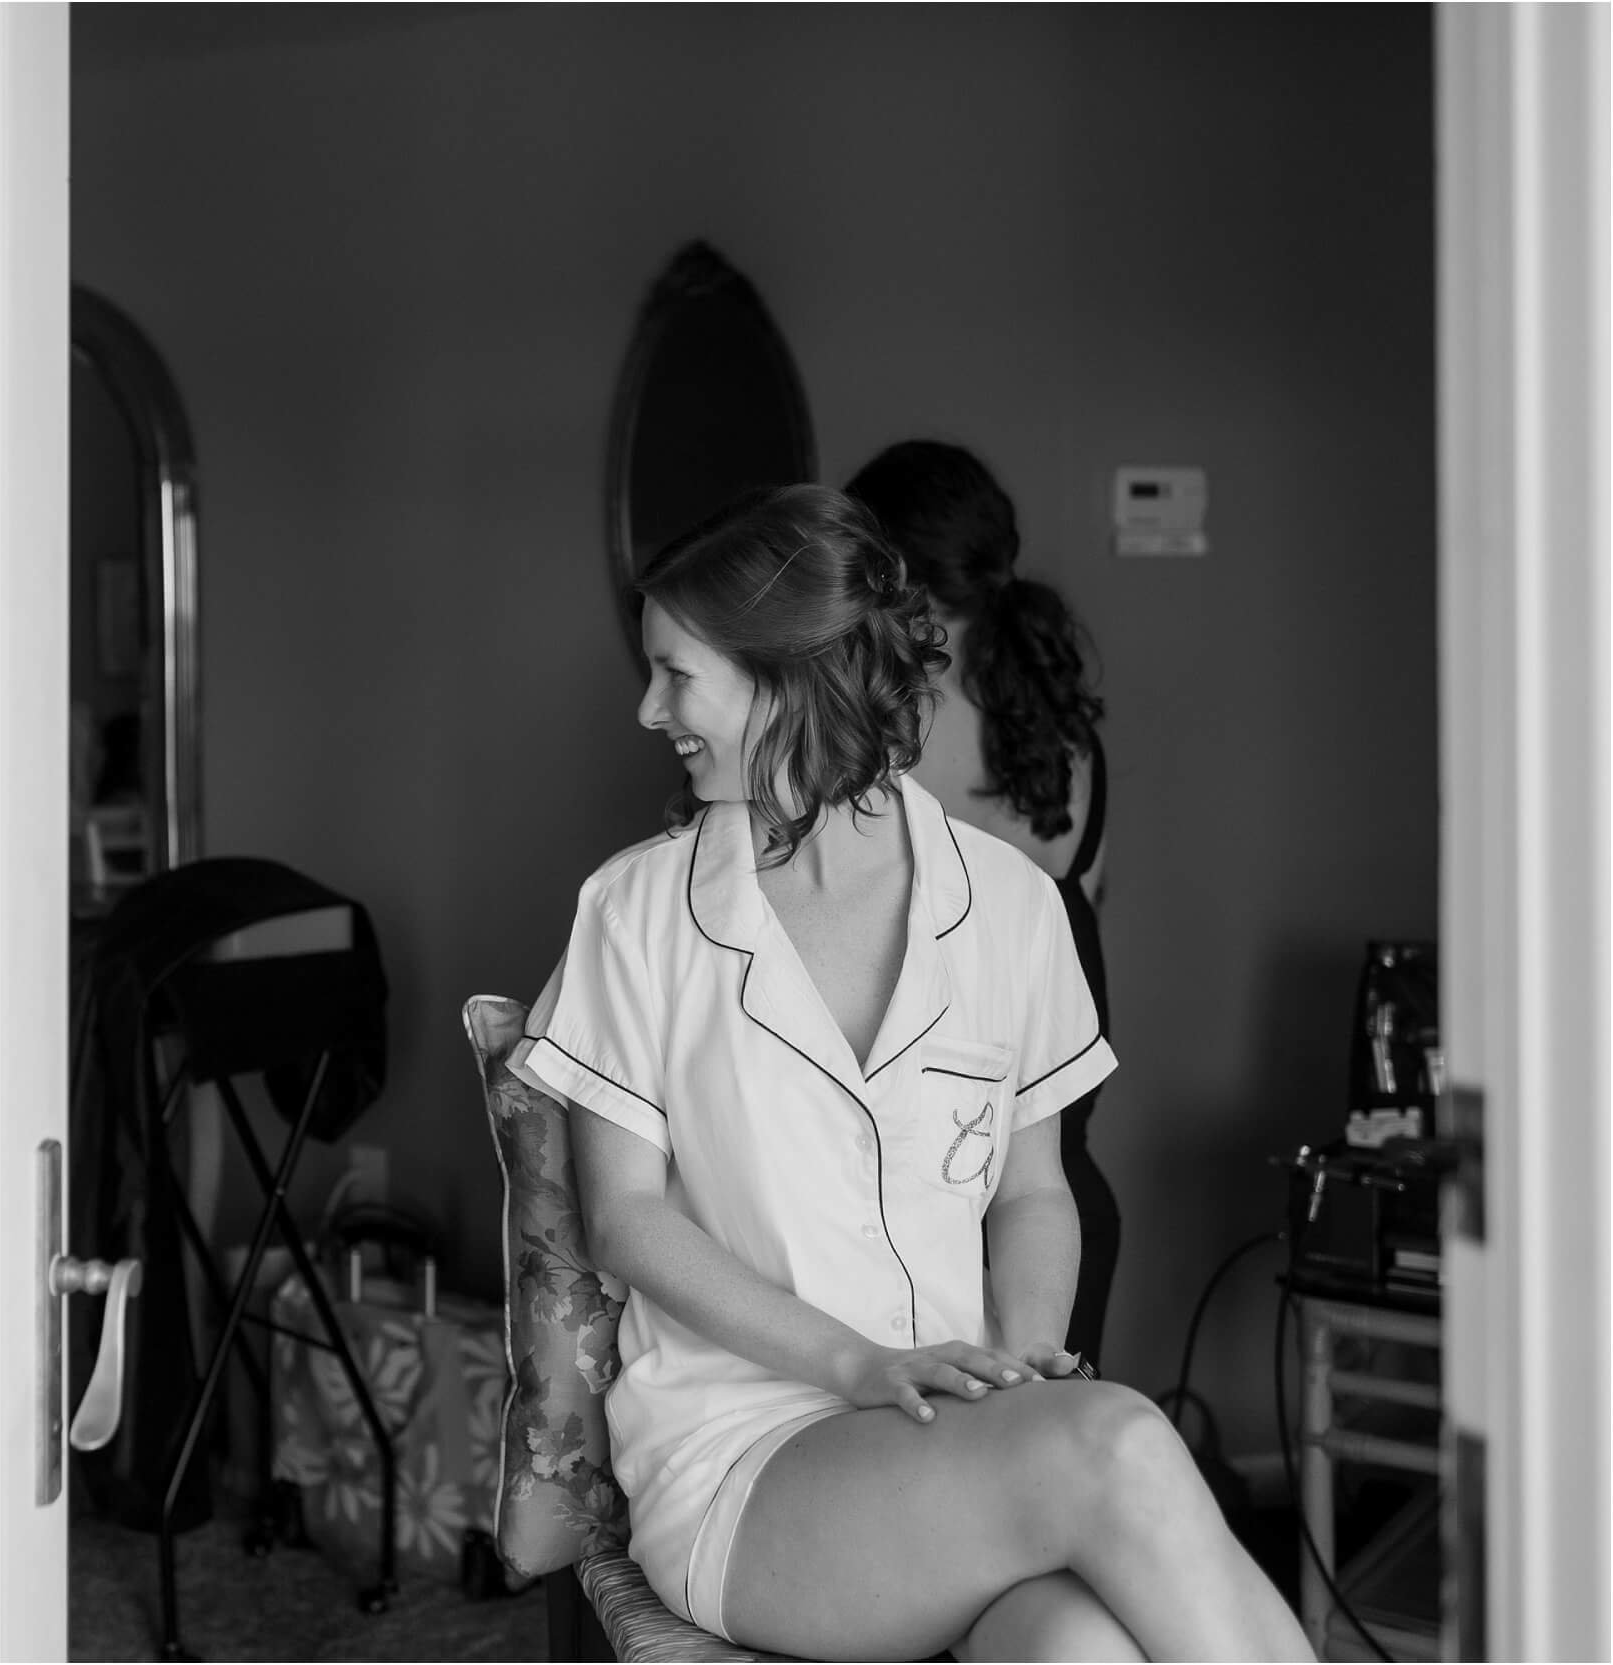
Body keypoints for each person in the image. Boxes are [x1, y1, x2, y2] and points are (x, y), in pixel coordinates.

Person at [512, 485, 1305, 1660]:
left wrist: (1027, 1364)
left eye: (678, 675)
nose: (647, 709)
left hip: (950, 1438)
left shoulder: (1010, 909)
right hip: (746, 1455)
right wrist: (861, 1365)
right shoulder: (636, 911)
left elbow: (1034, 1191)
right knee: (1120, 1443)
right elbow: (625, 1222)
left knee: (1072, 1650)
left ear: (790, 674)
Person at [844, 439, 1121, 1368]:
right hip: (1066, 1193)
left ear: (889, 572)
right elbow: (1091, 893)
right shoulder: (1063, 724)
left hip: (948, 1203)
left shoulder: (884, 724)